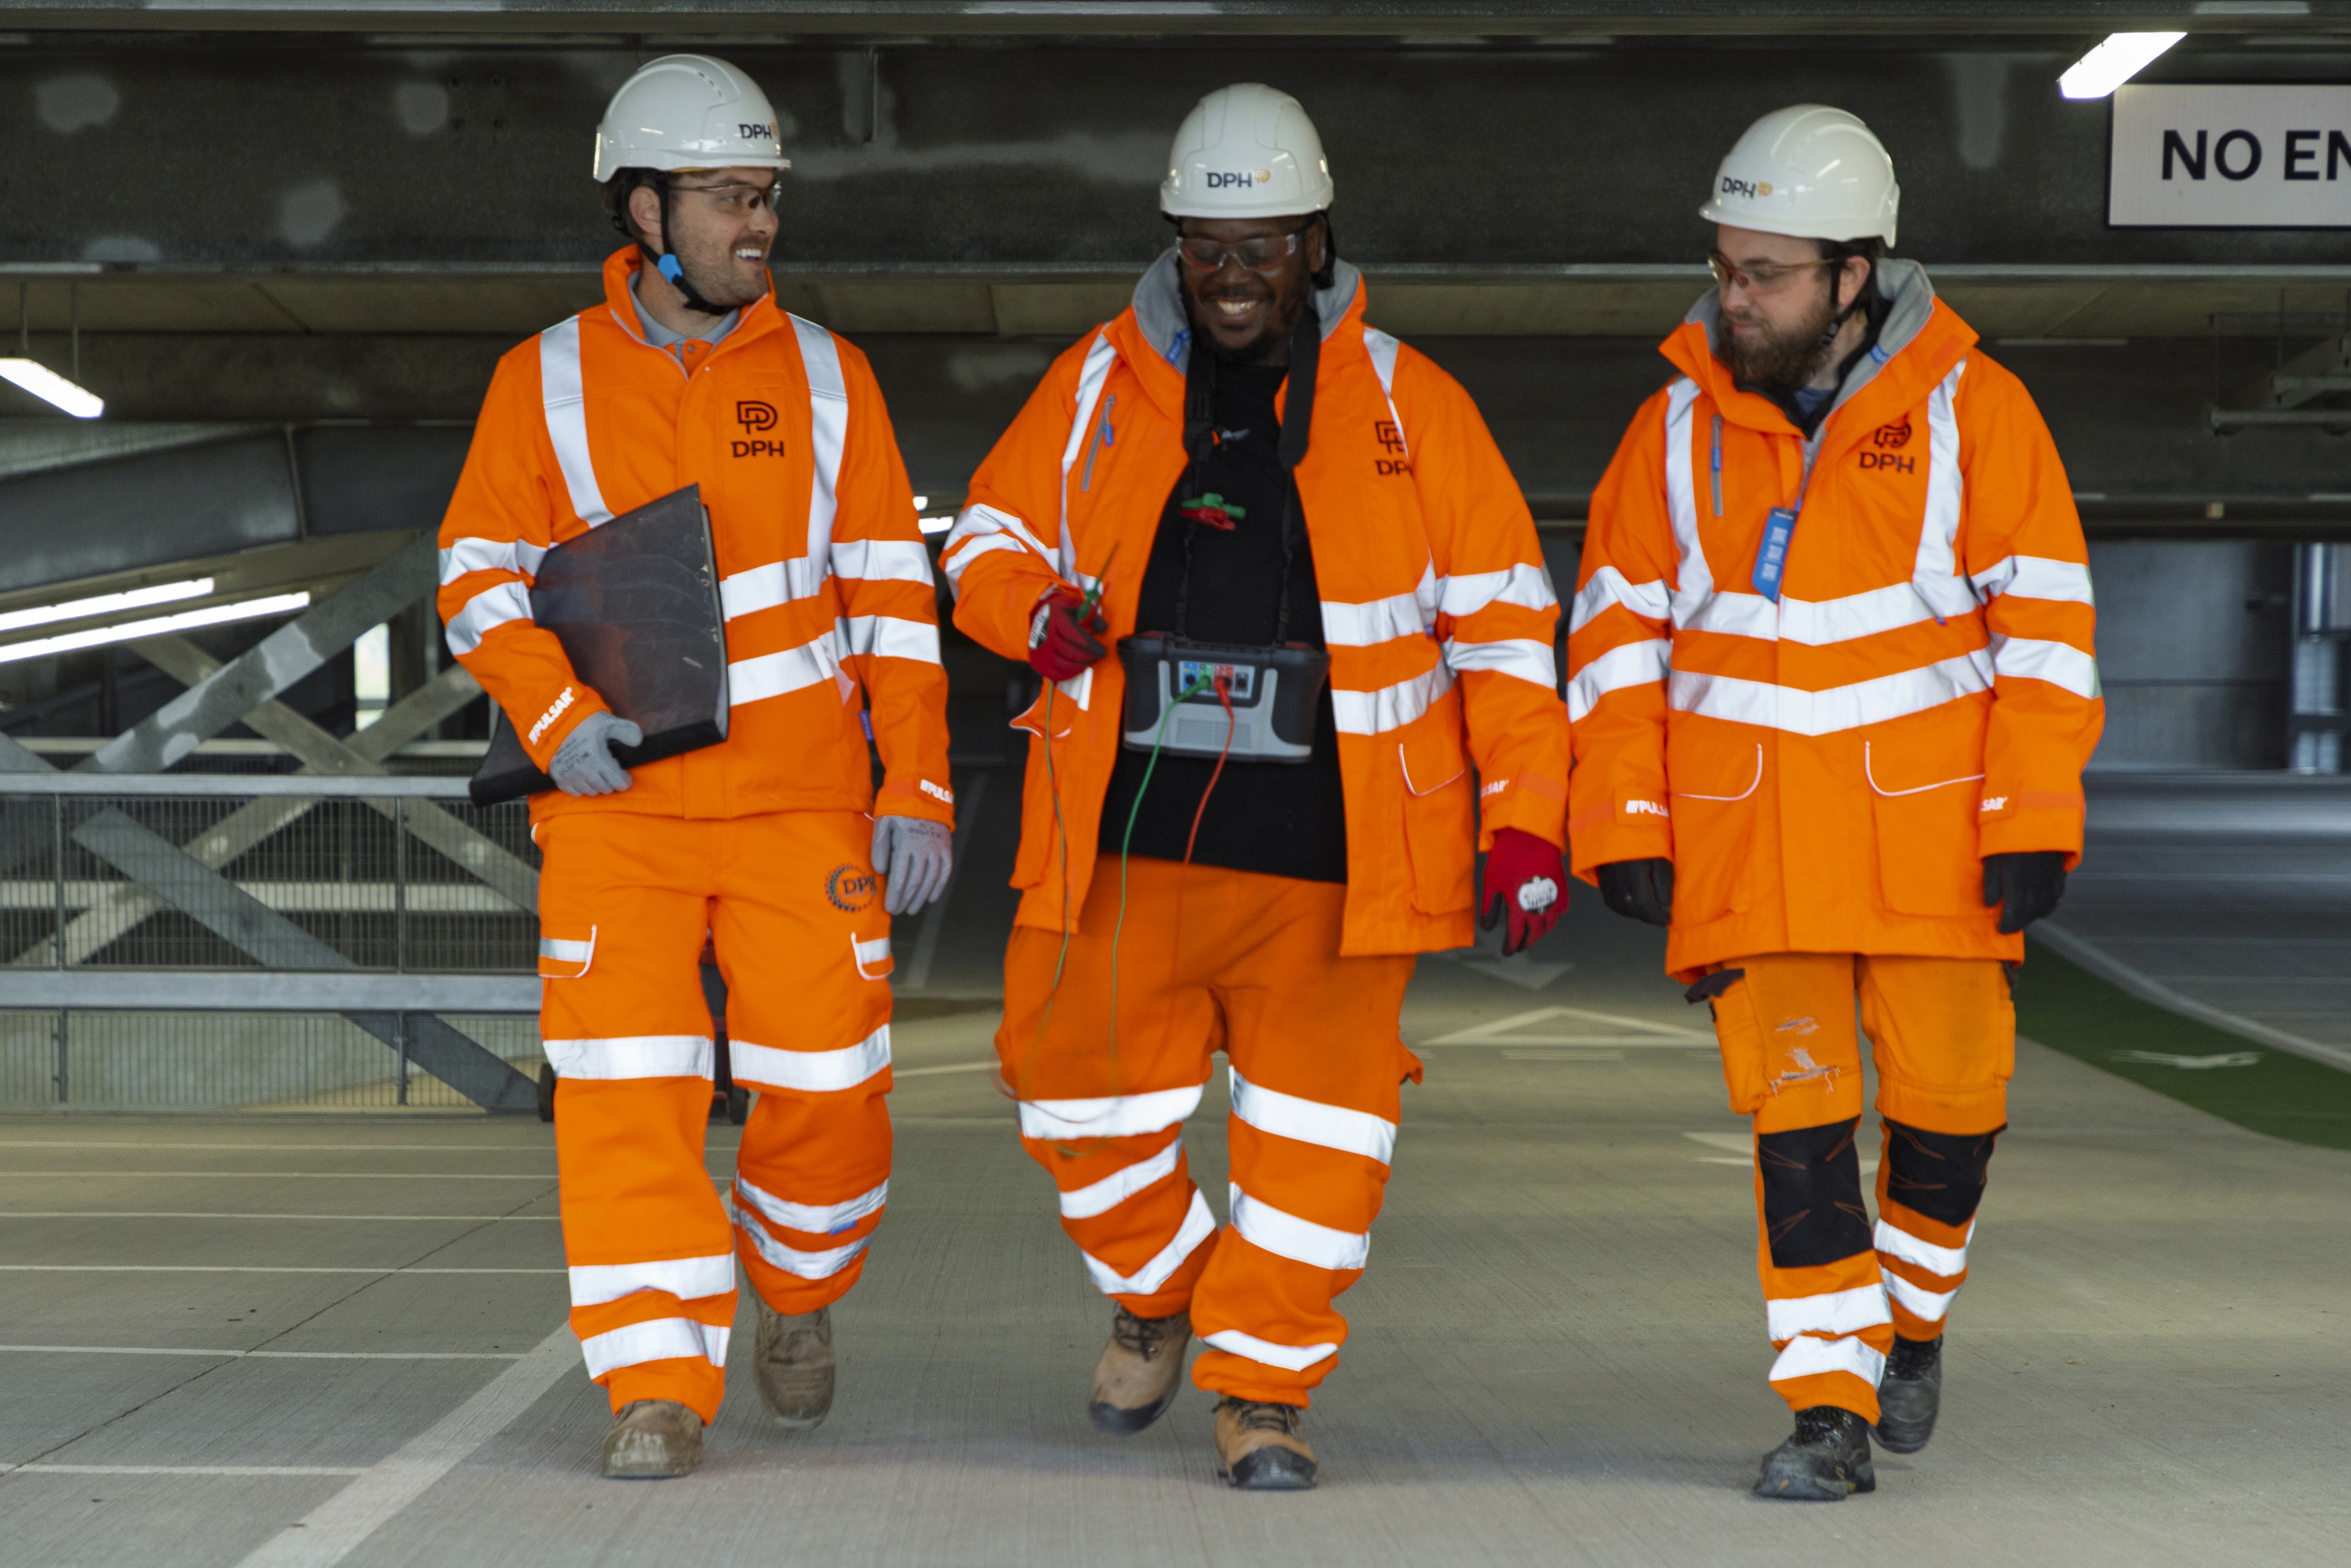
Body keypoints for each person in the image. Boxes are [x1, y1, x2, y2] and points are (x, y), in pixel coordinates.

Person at [941, 82, 1569, 1491]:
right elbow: (978, 534)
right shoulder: (1099, 382)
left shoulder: (1417, 405)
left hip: (1338, 860)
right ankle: (1169, 1286)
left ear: (1318, 241)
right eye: (1208, 248)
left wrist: (1528, 814)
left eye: (1264, 247)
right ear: (1175, 242)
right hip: (1127, 838)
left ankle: (1261, 1391)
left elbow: (1510, 630)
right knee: (1061, 1085)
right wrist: (1027, 609)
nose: (1233, 279)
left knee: (1321, 1142)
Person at [1568, 104, 2102, 1500]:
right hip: (1756, 853)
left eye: (1768, 275)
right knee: (1799, 1141)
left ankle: (1911, 1322)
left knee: (1951, 1120)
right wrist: (1624, 822)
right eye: (1727, 268)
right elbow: (1613, 646)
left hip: (1932, 847)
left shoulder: (1977, 413)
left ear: (1854, 274)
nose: (1733, 298)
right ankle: (1830, 1407)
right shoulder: (1672, 433)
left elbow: (2045, 632)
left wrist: (2034, 811)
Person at [436, 53, 954, 1479]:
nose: (760, 224)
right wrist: (553, 719)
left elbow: (895, 604)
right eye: (732, 198)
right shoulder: (537, 380)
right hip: (618, 812)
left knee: (837, 1093)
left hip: (802, 806)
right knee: (625, 1097)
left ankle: (792, 1290)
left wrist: (918, 783)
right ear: (647, 209)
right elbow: (475, 573)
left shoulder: (832, 380)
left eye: (768, 195)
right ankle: (656, 1381)